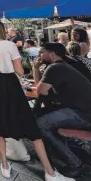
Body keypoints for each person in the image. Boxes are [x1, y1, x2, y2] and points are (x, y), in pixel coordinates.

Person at [0, 20, 70, 181]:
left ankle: (5, 165)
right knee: (30, 126)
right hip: (9, 84)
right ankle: (49, 172)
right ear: (2, 30)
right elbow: (20, 71)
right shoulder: (9, 45)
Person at [34, 43, 91, 178]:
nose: (40, 55)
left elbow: (40, 90)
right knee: (42, 115)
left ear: (52, 54)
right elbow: (45, 92)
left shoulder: (55, 67)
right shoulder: (63, 65)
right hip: (81, 109)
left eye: (42, 52)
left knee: (40, 123)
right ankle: (57, 150)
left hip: (83, 113)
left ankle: (76, 163)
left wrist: (35, 67)